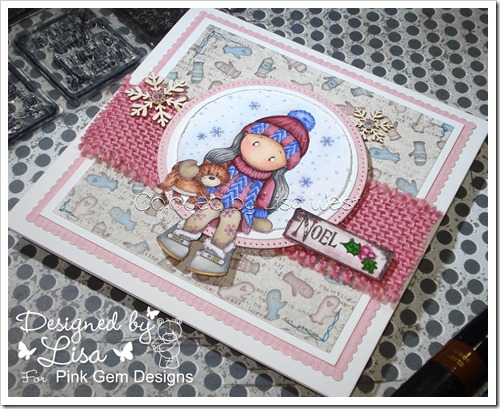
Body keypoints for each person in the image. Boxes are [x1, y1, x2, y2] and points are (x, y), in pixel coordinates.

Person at [157, 110, 315, 276]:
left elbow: (263, 201)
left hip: (241, 210)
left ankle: (216, 252)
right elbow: (210, 171)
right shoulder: (227, 160)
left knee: (232, 216)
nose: (258, 155)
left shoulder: (269, 183)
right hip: (213, 196)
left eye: (272, 158)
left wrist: (258, 218)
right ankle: (182, 235)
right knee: (212, 207)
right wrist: (195, 172)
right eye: (256, 144)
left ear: (284, 165)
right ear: (245, 136)